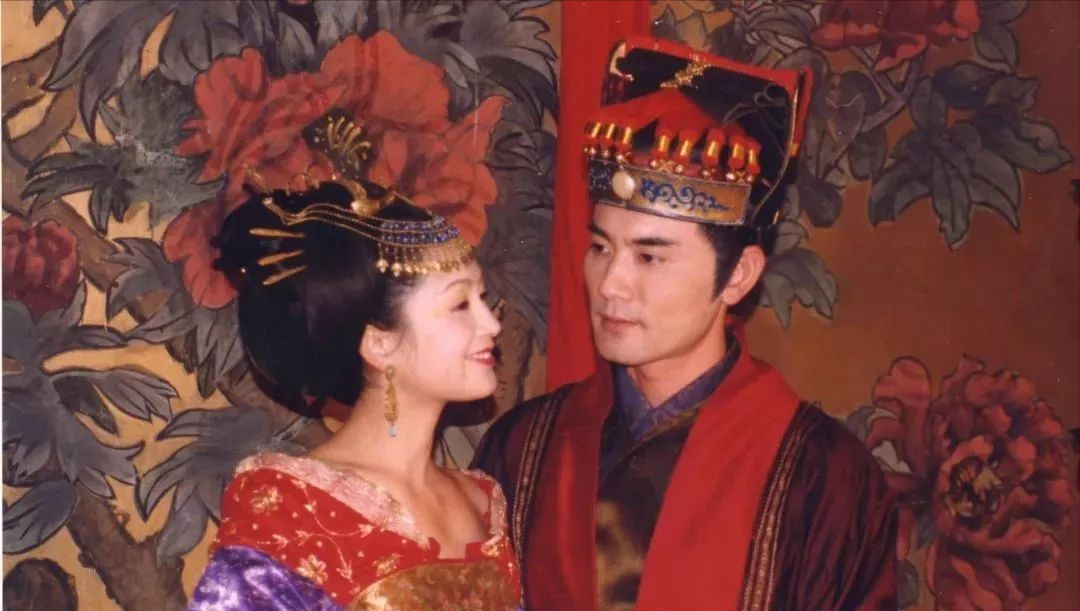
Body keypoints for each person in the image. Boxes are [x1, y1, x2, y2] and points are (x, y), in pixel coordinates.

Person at [473, 37, 897, 611]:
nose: (611, 283)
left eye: (650, 257)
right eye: (600, 248)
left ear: (738, 276)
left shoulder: (823, 479)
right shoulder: (524, 447)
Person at [186, 137, 521, 609]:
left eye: (482, 299)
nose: (492, 324)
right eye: (460, 305)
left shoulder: (483, 499)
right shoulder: (294, 506)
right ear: (379, 343)